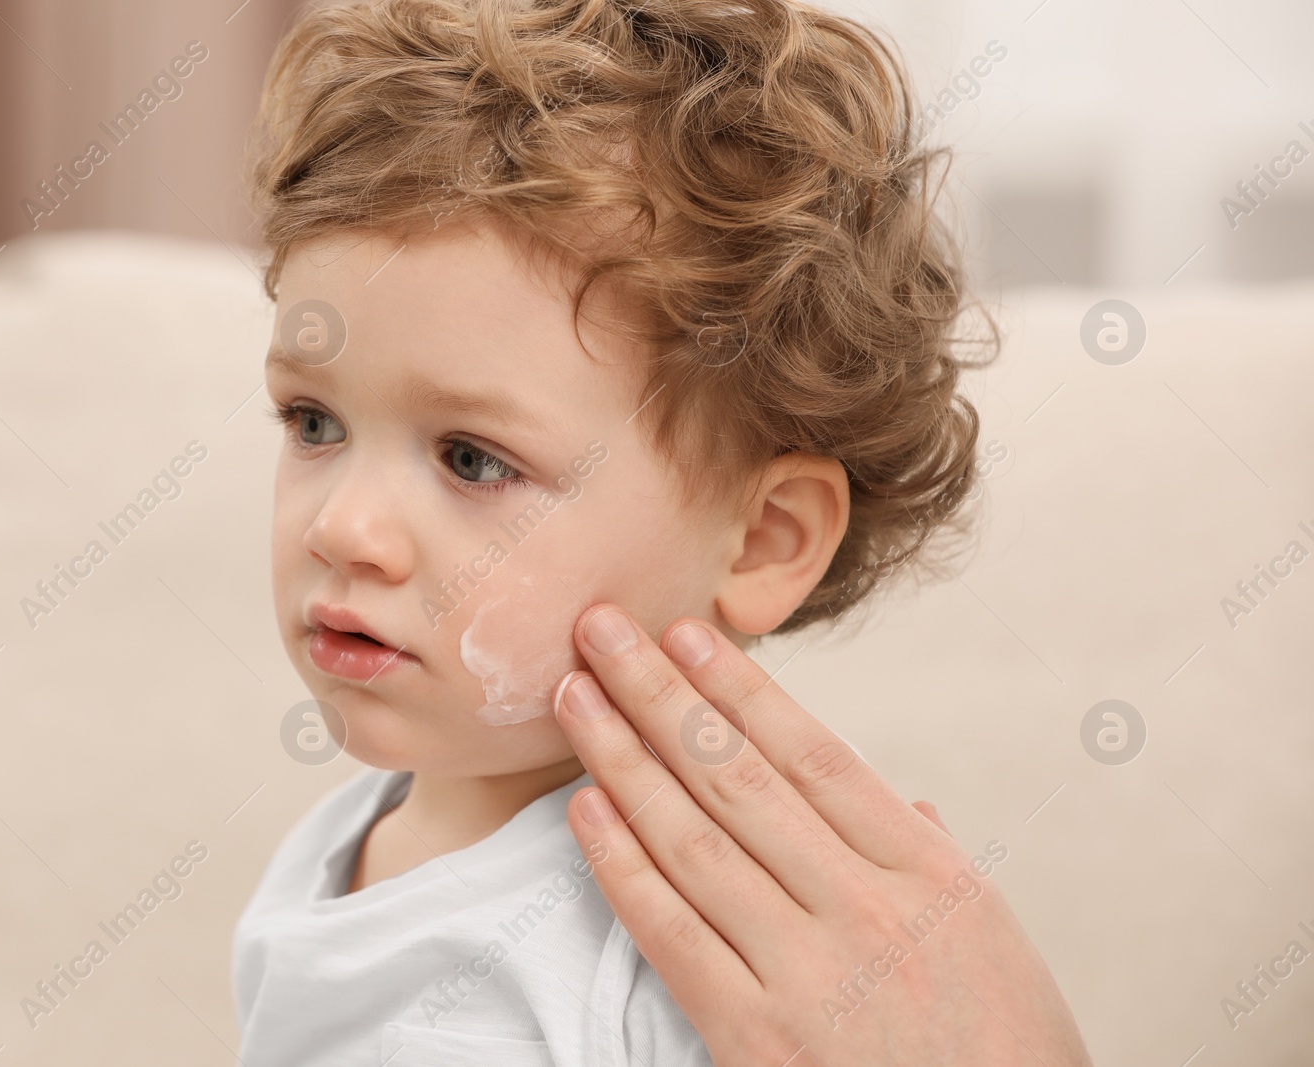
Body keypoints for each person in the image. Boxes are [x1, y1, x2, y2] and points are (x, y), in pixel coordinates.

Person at [231, 0, 1092, 1063]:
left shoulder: (723, 936)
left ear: (765, 537)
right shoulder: (338, 844)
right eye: (313, 423)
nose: (344, 525)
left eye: (472, 458)